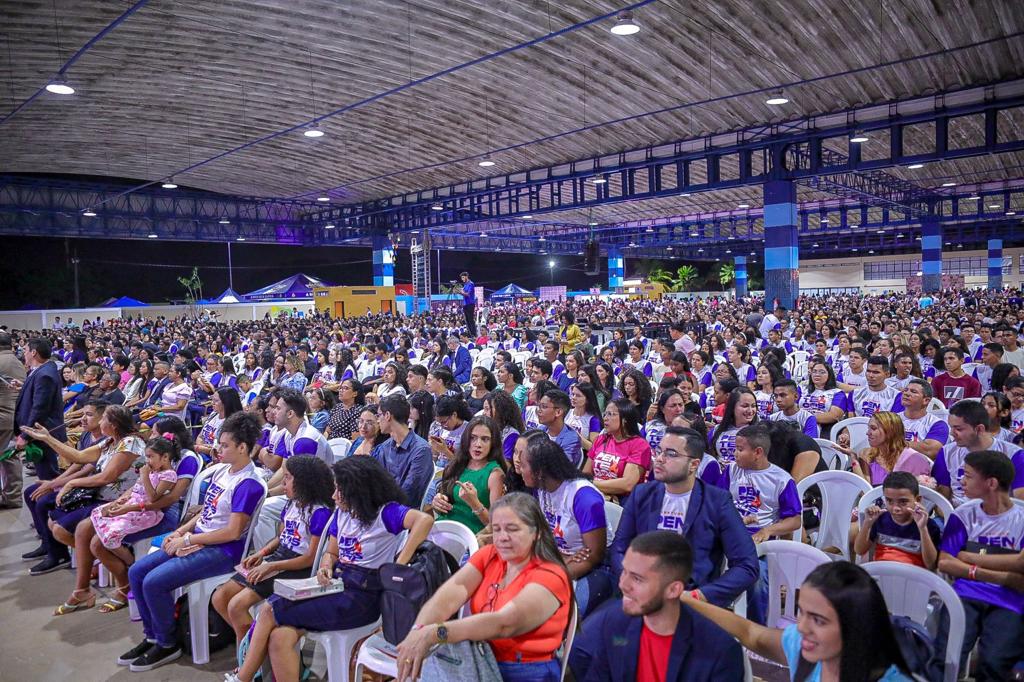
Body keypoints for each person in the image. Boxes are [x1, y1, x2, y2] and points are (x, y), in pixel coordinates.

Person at [230, 456, 433, 682]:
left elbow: (424, 521)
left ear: (358, 490)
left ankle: (242, 678)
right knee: (280, 637)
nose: (334, 495)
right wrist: (325, 566)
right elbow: (331, 552)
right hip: (336, 584)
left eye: (340, 490)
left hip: (363, 596)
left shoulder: (385, 513)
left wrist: (399, 563)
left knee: (268, 610)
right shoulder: (342, 512)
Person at [121, 411, 266, 672]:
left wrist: (190, 537)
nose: (217, 449)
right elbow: (205, 511)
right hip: (198, 536)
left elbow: (233, 532)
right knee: (137, 571)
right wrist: (181, 532)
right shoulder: (222, 471)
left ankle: (167, 644)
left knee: (154, 582)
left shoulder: (248, 483)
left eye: (224, 446)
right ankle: (152, 635)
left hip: (222, 550)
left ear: (243, 448)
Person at [396, 492, 571, 682]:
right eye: (497, 529)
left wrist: (435, 633)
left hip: (525, 670)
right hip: (478, 657)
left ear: (536, 533)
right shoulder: (490, 555)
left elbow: (505, 624)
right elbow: (447, 597)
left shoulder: (550, 575)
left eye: (512, 529)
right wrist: (418, 630)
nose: (503, 537)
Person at [681, 561, 913, 681]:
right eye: (801, 612)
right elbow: (751, 633)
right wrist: (683, 599)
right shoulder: (802, 645)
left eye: (819, 621)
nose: (801, 627)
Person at [610, 425, 757, 607]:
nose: (659, 459)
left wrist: (700, 596)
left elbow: (747, 565)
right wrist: (631, 581)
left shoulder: (717, 502)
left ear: (693, 465)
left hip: (689, 598)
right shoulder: (642, 494)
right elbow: (618, 548)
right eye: (659, 451)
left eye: (671, 454)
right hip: (640, 594)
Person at [571, 531, 745, 681]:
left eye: (637, 579)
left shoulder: (720, 653)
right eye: (625, 572)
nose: (623, 584)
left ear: (673, 589)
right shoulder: (615, 621)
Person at [212, 455, 334, 647]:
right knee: (220, 597)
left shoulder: (319, 512)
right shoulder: (292, 503)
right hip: (278, 558)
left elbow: (310, 558)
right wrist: (261, 553)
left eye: (288, 478)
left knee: (236, 606)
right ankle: (256, 649)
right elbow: (282, 537)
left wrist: (270, 567)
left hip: (297, 567)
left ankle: (254, 658)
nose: (283, 483)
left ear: (304, 482)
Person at [938, 450, 1024, 681]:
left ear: (991, 483)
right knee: (946, 658)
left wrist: (969, 559)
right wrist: (1007, 575)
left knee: (995, 663)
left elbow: (1022, 563)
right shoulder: (963, 514)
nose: (961, 481)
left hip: (1010, 600)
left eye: (968, 476)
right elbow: (945, 561)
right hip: (966, 594)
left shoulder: (1022, 519)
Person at [518, 433, 612, 619]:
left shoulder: (583, 498)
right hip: (560, 557)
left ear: (540, 472)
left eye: (523, 465)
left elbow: (595, 555)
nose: (519, 469)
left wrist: (555, 575)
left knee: (560, 615)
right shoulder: (542, 489)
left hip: (594, 568)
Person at [87, 433, 181, 612]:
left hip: (146, 512)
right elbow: (135, 489)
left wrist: (144, 476)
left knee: (111, 534)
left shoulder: (169, 475)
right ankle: (125, 567)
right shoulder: (152, 471)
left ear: (165, 457)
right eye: (147, 456)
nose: (148, 461)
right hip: (133, 505)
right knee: (101, 514)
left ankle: (131, 564)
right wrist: (120, 501)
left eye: (151, 457)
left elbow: (153, 497)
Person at [934, 400, 1024, 507]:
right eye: (951, 427)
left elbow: (1020, 504)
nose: (952, 433)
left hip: (999, 516)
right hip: (956, 513)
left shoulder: (1015, 455)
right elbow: (941, 500)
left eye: (958, 428)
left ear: (979, 429)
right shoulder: (946, 452)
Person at [431, 415, 507, 533]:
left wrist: (474, 503)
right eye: (473, 438)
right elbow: (445, 500)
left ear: (493, 443)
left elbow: (495, 526)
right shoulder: (458, 464)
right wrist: (438, 502)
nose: (478, 444)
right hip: (444, 528)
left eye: (485, 439)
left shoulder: (495, 474)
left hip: (471, 537)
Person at [853, 471, 940, 569]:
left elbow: (931, 564)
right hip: (882, 574)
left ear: (918, 500)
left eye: (903, 502)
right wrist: (867, 524)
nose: (895, 508)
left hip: (914, 578)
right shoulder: (880, 520)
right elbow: (859, 550)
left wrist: (923, 529)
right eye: (889, 501)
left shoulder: (928, 525)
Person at [14, 338, 65, 488]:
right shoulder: (43, 370)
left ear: (34, 352)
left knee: (48, 478)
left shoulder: (45, 374)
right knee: (45, 474)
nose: (24, 354)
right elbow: (39, 394)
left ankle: (51, 507)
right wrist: (23, 387)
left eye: (25, 350)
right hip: (40, 432)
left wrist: (25, 435)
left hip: (43, 432)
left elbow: (40, 408)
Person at [584, 398, 652, 501]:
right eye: (605, 414)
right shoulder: (601, 439)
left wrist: (591, 483)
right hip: (596, 493)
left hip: (623, 500)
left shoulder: (639, 445)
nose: (605, 418)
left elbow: (627, 484)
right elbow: (586, 473)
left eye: (611, 414)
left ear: (625, 419)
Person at [375, 394, 434, 506]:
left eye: (378, 415)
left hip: (404, 512)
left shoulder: (421, 450)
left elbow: (409, 492)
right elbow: (376, 481)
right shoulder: (384, 447)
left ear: (387, 415)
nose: (377, 420)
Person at [853, 412, 933, 486]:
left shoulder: (916, 461)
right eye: (869, 428)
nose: (868, 433)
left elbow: (920, 497)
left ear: (890, 431)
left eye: (873, 428)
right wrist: (853, 459)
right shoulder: (868, 455)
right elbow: (865, 492)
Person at [0, 332, 27, 507]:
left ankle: (11, 497)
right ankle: (13, 496)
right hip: (13, 415)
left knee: (7, 457)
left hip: (1, 415)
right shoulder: (17, 361)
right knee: (9, 456)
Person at [898, 379, 949, 460]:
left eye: (913, 391)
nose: (906, 393)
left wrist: (894, 443)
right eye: (906, 390)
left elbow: (931, 451)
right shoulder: (891, 418)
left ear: (926, 400)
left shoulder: (938, 424)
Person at [709, 387, 758, 465]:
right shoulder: (717, 430)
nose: (750, 410)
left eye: (753, 406)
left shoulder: (759, 432)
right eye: (745, 406)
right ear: (732, 407)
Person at [537, 388, 583, 466]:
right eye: (539, 406)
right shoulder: (540, 430)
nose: (539, 410)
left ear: (558, 412)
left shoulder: (572, 438)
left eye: (544, 407)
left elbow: (562, 467)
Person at [458, 271, 477, 336]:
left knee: (470, 319)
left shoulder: (471, 284)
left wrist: (461, 292)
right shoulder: (465, 284)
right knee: (467, 320)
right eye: (461, 278)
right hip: (465, 304)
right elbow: (463, 293)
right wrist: (460, 291)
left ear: (466, 277)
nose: (462, 279)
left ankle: (473, 333)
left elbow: (468, 294)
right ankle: (469, 333)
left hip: (470, 303)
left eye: (463, 277)